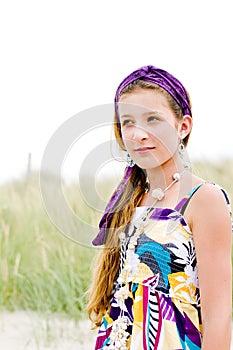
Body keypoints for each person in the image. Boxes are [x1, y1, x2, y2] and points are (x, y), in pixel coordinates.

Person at [87, 65, 232, 349]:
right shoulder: (130, 202)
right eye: (128, 122)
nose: (138, 133)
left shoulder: (203, 200)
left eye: (152, 119)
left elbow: (219, 317)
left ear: (183, 126)